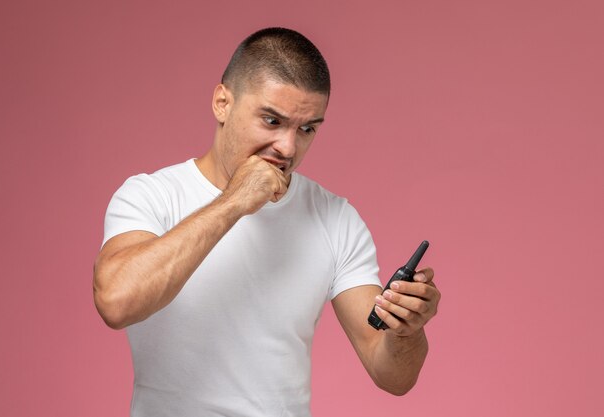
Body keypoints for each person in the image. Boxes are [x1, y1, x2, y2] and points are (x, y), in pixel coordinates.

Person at [93, 27, 440, 416]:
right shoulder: (151, 196)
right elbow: (116, 302)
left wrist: (406, 331)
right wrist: (234, 202)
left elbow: (391, 375)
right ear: (223, 103)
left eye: (307, 129)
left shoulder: (334, 218)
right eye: (272, 121)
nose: (288, 148)